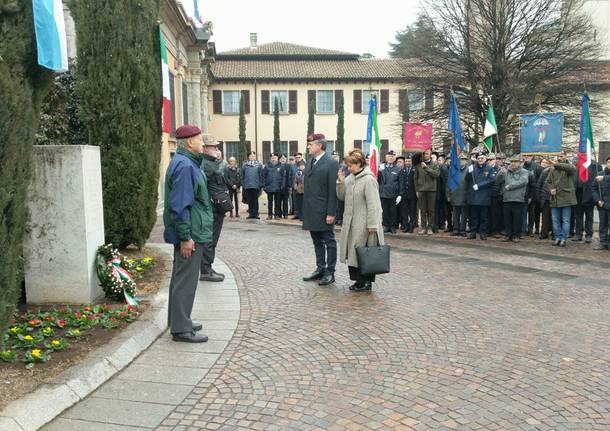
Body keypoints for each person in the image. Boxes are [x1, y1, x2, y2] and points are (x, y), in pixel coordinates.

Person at [163, 125, 211, 343]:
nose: (203, 143)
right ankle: (181, 329)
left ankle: (179, 319)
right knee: (186, 281)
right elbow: (180, 206)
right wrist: (185, 237)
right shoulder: (184, 166)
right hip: (190, 232)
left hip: (192, 230)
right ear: (190, 142)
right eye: (200, 139)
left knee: (180, 278)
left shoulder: (187, 162)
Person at [337, 150, 384, 291]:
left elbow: (373, 204)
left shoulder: (369, 180)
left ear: (359, 164)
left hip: (364, 224)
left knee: (364, 253)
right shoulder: (351, 178)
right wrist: (341, 182)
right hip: (350, 223)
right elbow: (341, 196)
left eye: (350, 165)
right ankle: (357, 280)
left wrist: (372, 225)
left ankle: (366, 281)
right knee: (352, 252)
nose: (348, 168)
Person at [302, 133, 339, 286]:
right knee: (316, 241)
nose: (308, 147)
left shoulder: (331, 163)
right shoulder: (311, 161)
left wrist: (331, 212)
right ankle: (320, 268)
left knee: (329, 241)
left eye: (311, 144)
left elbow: (332, 190)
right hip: (311, 209)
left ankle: (330, 272)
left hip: (324, 210)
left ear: (320, 145)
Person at [199, 135, 229, 282]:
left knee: (212, 240)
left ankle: (208, 268)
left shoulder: (210, 163)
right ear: (205, 148)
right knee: (210, 240)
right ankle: (206, 270)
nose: (217, 150)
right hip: (212, 208)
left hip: (215, 207)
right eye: (214, 147)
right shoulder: (207, 164)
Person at [544, 150, 577, 247]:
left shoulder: (569, 166)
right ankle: (557, 237)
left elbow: (573, 169)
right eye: (559, 156)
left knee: (566, 220)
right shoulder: (553, 169)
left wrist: (555, 163)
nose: (560, 158)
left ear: (566, 156)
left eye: (562, 156)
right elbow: (547, 182)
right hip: (555, 198)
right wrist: (551, 189)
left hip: (566, 198)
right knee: (555, 220)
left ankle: (563, 238)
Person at [499, 154, 529, 242]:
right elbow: (499, 181)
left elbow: (523, 181)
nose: (513, 163)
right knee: (507, 219)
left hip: (518, 199)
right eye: (511, 162)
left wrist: (510, 186)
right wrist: (500, 174)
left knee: (517, 219)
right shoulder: (506, 171)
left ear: (520, 163)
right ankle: (508, 235)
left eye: (515, 162)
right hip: (507, 198)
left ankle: (516, 236)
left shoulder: (524, 172)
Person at [466, 153, 494, 240]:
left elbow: (491, 180)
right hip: (474, 197)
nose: (480, 159)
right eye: (478, 158)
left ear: (485, 159)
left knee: (483, 217)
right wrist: (468, 172)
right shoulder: (473, 168)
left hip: (484, 197)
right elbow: (467, 180)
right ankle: (473, 232)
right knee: (474, 216)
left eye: (482, 158)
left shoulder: (489, 168)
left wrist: (479, 186)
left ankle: (483, 233)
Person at [573, 161, 600, 243]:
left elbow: (596, 182)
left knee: (589, 216)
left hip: (589, 194)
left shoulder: (595, 165)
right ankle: (578, 233)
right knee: (578, 216)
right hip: (578, 194)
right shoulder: (577, 164)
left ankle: (588, 235)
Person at [414, 149, 440, 235]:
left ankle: (430, 228)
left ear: (430, 154)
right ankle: (423, 227)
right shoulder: (418, 165)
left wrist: (426, 168)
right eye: (424, 154)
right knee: (423, 210)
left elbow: (436, 174)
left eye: (427, 154)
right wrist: (417, 190)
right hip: (421, 190)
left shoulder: (435, 164)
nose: (425, 155)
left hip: (431, 190)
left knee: (431, 210)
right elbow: (415, 178)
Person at [378, 150, 401, 234]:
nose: (390, 158)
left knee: (393, 211)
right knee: (385, 211)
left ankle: (392, 226)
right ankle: (386, 225)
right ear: (386, 158)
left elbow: (400, 182)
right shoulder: (381, 167)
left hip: (393, 193)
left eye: (392, 156)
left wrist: (400, 194)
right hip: (383, 193)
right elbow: (378, 180)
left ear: (394, 158)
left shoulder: (398, 168)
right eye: (389, 156)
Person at [447, 152, 470, 236]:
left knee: (464, 215)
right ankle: (455, 229)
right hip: (455, 194)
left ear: (466, 161)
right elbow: (449, 183)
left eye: (463, 160)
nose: (461, 161)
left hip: (465, 194)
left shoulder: (469, 170)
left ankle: (462, 230)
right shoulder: (452, 169)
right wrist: (448, 195)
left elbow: (471, 183)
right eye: (460, 160)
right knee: (455, 214)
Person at [592, 156, 610, 250]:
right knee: (603, 224)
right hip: (602, 204)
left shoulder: (603, 176)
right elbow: (593, 189)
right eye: (609, 162)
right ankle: (603, 242)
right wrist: (597, 200)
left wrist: (604, 178)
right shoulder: (600, 174)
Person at [398, 155, 417, 232]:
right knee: (404, 212)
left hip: (412, 194)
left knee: (412, 211)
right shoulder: (402, 170)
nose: (407, 163)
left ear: (411, 162)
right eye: (406, 161)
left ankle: (412, 226)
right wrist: (400, 193)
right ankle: (406, 226)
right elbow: (401, 183)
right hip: (404, 194)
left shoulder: (414, 170)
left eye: (409, 161)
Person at [262, 153, 284, 220]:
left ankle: (276, 215)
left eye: (275, 157)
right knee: (270, 202)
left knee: (277, 202)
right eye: (272, 157)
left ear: (277, 158)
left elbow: (283, 177)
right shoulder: (267, 166)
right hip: (269, 187)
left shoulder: (281, 166)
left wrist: (282, 185)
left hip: (278, 187)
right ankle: (270, 215)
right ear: (270, 158)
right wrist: (264, 186)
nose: (274, 158)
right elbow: (263, 176)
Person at [242, 151, 263, 219]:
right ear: (248, 157)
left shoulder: (259, 165)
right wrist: (243, 184)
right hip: (247, 185)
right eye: (250, 156)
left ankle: (256, 214)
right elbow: (242, 176)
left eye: (253, 156)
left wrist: (260, 184)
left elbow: (261, 175)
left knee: (255, 200)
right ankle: (251, 214)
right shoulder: (245, 165)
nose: (252, 157)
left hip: (256, 185)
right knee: (249, 201)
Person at [536, 158, 553, 239]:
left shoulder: (560, 172)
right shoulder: (545, 172)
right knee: (545, 217)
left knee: (555, 217)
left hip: (555, 198)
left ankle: (554, 233)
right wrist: (539, 197)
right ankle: (544, 233)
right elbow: (539, 185)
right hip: (546, 197)